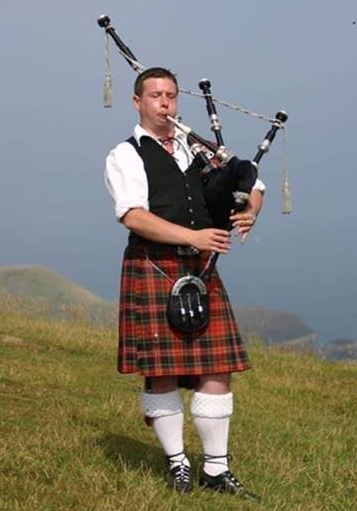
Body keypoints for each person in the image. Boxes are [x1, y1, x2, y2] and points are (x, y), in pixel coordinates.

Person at [105, 67, 264, 499]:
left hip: (202, 270)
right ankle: (177, 462)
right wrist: (193, 237)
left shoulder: (199, 148)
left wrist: (250, 210)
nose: (165, 103)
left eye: (171, 95)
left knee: (217, 369)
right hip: (154, 265)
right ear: (137, 102)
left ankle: (216, 470)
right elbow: (133, 216)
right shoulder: (126, 155)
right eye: (155, 95)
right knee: (161, 373)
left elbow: (252, 181)